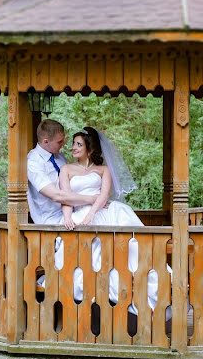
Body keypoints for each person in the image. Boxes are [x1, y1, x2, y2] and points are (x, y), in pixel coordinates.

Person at [58, 127, 164, 311]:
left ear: (89, 149)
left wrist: (91, 215)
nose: (73, 148)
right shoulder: (66, 169)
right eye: (73, 144)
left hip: (101, 211)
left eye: (78, 144)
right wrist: (68, 217)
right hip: (77, 212)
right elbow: (65, 197)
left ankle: (140, 280)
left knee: (129, 245)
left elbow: (103, 195)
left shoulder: (103, 169)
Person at [26, 119, 98, 225]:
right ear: (46, 141)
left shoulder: (60, 157)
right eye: (59, 142)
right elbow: (56, 195)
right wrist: (92, 199)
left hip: (72, 213)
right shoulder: (33, 162)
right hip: (50, 220)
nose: (63, 144)